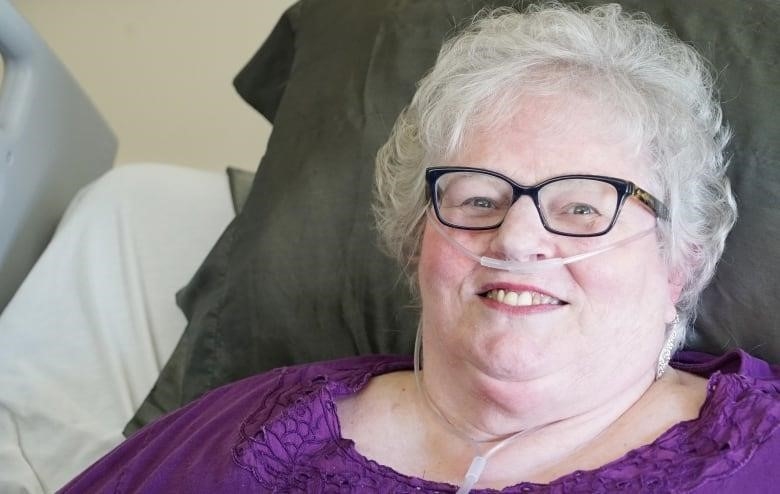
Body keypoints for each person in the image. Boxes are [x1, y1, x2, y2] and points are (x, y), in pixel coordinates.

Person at [61, 3, 779, 493]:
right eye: (477, 200)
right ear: (416, 242)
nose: (518, 238)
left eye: (582, 207)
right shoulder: (249, 433)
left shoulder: (760, 451)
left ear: (680, 261)